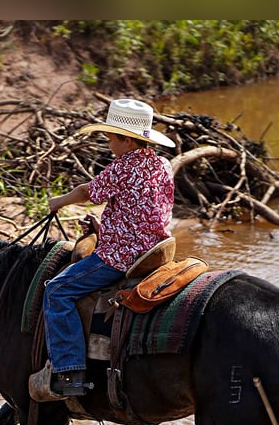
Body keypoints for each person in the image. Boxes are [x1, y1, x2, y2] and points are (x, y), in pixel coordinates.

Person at [29, 98, 175, 401]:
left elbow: (87, 192)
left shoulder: (122, 167)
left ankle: (68, 373)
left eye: (111, 137)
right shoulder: (162, 164)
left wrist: (59, 201)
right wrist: (106, 226)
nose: (109, 144)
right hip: (156, 247)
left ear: (125, 138)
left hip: (123, 255)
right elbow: (142, 209)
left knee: (57, 290)